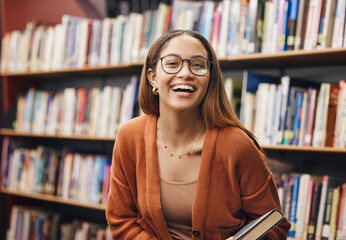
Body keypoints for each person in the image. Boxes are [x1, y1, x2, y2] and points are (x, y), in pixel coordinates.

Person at [106, 29, 291, 240]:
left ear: (210, 80)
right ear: (153, 78)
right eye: (173, 63)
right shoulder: (130, 137)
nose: (186, 73)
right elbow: (121, 221)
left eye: (198, 65)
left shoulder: (237, 145)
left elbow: (274, 227)